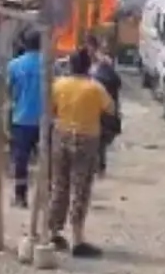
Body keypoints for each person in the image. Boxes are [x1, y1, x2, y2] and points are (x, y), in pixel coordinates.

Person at [47, 48, 116, 257]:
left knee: (60, 184)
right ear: (88, 66)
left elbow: (51, 109)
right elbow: (110, 109)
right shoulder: (95, 88)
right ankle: (77, 238)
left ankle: (54, 233)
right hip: (87, 139)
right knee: (81, 188)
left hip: (61, 135)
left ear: (70, 66)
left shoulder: (58, 85)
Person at [6, 28, 44, 208]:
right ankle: (45, 198)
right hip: (44, 119)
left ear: (24, 44)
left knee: (21, 159)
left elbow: (8, 91)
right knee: (47, 159)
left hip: (21, 118)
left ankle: (21, 197)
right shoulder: (50, 65)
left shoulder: (14, 65)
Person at [91, 43, 123, 176]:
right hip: (108, 115)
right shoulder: (113, 76)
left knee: (96, 141)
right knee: (102, 143)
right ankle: (100, 167)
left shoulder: (96, 77)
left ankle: (96, 166)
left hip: (98, 113)